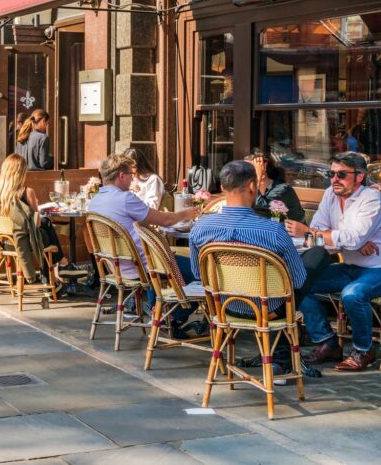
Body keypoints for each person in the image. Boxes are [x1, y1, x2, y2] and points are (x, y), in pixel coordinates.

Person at [190, 160, 330, 377]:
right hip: (268, 309)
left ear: (222, 188)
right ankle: (281, 359)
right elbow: (298, 279)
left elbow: (199, 274)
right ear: (253, 187)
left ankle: (280, 359)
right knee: (317, 256)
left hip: (223, 306)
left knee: (284, 290)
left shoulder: (201, 228)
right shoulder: (272, 230)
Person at [285, 152, 381, 372]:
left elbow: (321, 234)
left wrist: (317, 233)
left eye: (341, 174)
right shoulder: (329, 196)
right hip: (353, 267)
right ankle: (328, 343)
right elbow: (320, 242)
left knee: (353, 294)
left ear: (359, 176)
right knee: (299, 281)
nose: (334, 179)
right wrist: (348, 242)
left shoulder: (371, 199)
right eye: (331, 174)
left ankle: (363, 350)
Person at [89, 154, 200, 328]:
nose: (132, 181)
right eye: (131, 176)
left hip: (116, 265)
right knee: (201, 272)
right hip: (141, 266)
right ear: (121, 176)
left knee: (159, 254)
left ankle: (160, 309)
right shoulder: (125, 199)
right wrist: (187, 213)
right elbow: (164, 221)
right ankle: (170, 317)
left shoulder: (94, 202)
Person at [0, 155, 55, 283]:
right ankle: (53, 274)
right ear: (21, 172)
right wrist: (36, 206)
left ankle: (56, 269)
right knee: (46, 228)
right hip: (23, 243)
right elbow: (37, 224)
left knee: (46, 226)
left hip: (3, 243)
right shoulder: (27, 192)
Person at [244, 149, 304, 221]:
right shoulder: (252, 189)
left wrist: (257, 178)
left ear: (264, 167)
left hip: (290, 231)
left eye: (249, 169)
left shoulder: (283, 189)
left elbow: (260, 209)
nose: (244, 173)